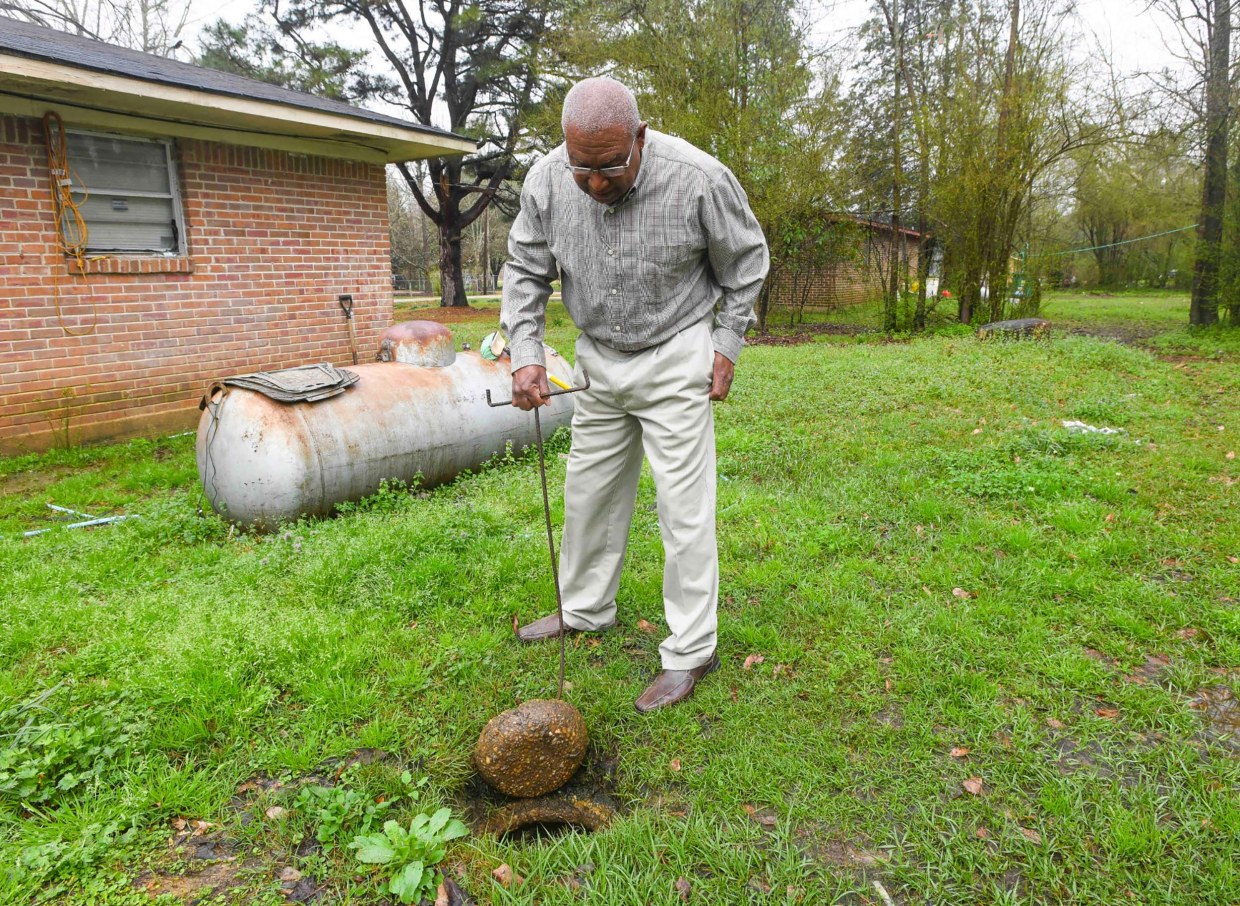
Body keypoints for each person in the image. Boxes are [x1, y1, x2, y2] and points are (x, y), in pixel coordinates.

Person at [500, 76, 768, 712]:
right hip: (597, 359)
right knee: (587, 491)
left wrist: (727, 344)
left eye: (611, 166)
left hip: (677, 353)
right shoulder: (544, 179)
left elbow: (747, 261)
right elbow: (525, 269)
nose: (595, 184)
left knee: (683, 509)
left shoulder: (698, 177)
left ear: (640, 138)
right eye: (582, 169)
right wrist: (526, 354)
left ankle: (691, 649)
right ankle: (586, 609)